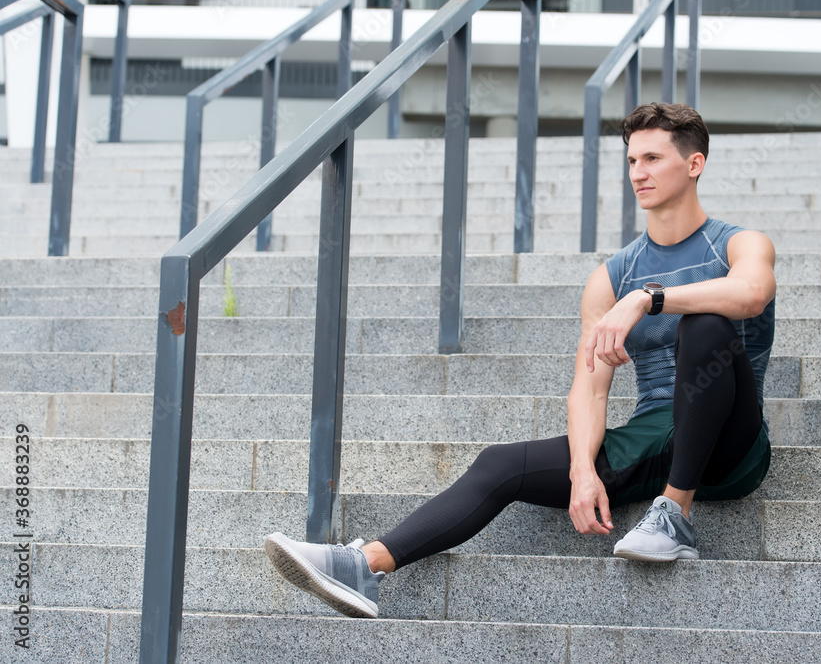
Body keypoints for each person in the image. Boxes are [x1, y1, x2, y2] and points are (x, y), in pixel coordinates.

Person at [265, 102, 776, 619]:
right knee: (501, 464)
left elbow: (752, 294)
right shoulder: (614, 275)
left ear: (694, 164)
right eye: (631, 161)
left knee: (704, 324)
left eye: (653, 159)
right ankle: (363, 566)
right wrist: (582, 470)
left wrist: (649, 299)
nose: (638, 173)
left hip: (730, 443)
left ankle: (674, 513)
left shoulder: (738, 244)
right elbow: (590, 388)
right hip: (652, 439)